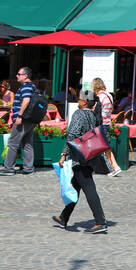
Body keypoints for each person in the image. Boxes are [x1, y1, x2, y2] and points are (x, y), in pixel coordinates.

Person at [52, 93, 109, 233]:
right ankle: (63, 217)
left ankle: (100, 222)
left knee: (89, 187)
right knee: (75, 186)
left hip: (79, 156)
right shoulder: (93, 115)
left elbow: (72, 135)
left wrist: (63, 154)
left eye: (79, 98)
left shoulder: (79, 114)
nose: (77, 101)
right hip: (90, 155)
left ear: (85, 102)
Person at [0, 67, 38, 176]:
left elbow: (26, 100)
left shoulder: (26, 87)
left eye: (19, 74)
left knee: (13, 143)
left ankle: (8, 168)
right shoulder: (32, 86)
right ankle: (28, 168)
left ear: (25, 76)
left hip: (23, 119)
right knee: (27, 143)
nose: (17, 76)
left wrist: (19, 115)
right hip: (30, 119)